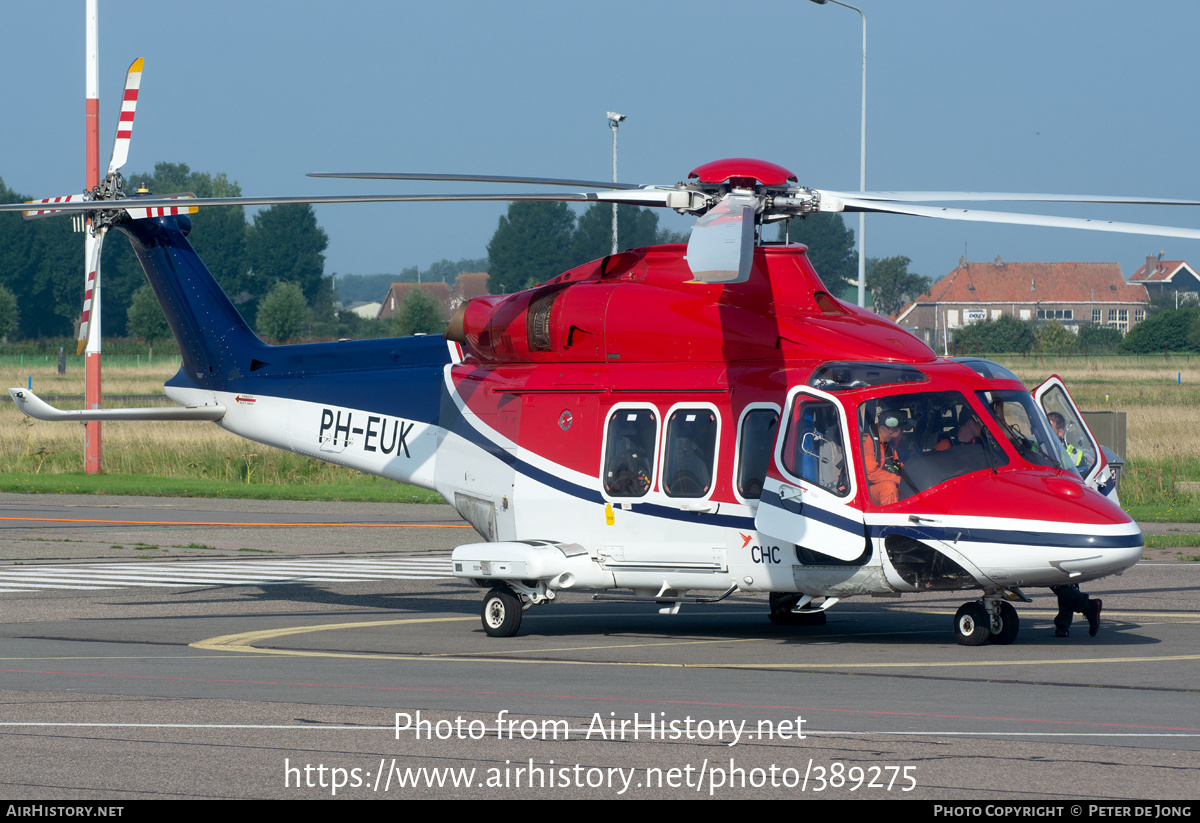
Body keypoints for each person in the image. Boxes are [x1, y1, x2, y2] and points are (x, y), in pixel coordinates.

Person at [861, 409, 903, 505]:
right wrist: (898, 479)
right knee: (888, 487)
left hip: (877, 486)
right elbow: (870, 474)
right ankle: (891, 517)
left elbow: (898, 465)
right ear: (891, 430)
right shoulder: (867, 442)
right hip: (863, 492)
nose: (902, 433)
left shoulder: (888, 445)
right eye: (901, 430)